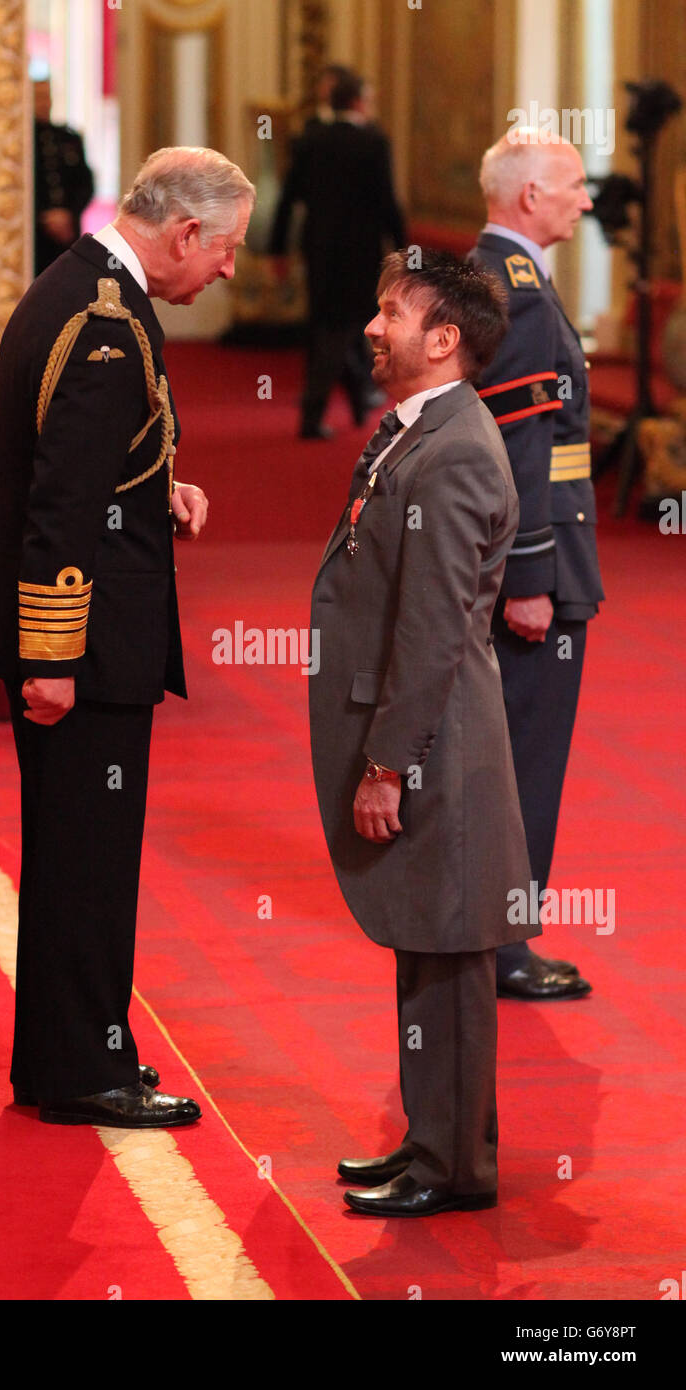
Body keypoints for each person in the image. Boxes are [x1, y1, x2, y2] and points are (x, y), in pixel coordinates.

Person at [0, 147, 255, 1128]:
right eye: (227, 251)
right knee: (88, 861)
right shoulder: (106, 328)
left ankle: (56, 1062)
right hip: (80, 641)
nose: (228, 272)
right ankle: (91, 1068)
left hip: (76, 621)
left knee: (66, 854)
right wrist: (49, 658)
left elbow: (82, 464)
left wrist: (154, 489)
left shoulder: (81, 291)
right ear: (184, 233)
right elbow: (59, 504)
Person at [309, 250, 535, 1217]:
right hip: (428, 735)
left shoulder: (453, 452)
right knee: (426, 943)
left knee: (448, 956)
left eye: (391, 312)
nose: (373, 325)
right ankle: (430, 1143)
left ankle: (454, 1169)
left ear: (443, 340)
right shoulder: (423, 431)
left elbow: (436, 628)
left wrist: (388, 766)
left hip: (436, 742)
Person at [469, 129, 604, 1001]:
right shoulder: (515, 295)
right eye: (572, 186)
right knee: (523, 763)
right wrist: (529, 579)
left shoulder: (501, 279)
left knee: (513, 756)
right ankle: (504, 944)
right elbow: (518, 449)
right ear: (528, 199)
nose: (586, 200)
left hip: (544, 560)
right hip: (539, 574)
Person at [268, 69, 404, 438]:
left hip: (319, 251)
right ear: (359, 102)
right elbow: (388, 202)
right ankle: (317, 414)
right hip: (362, 253)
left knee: (331, 326)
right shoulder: (375, 142)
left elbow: (288, 198)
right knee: (343, 329)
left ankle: (356, 396)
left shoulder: (310, 139)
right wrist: (407, 252)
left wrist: (278, 248)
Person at [33, 78, 95, 276]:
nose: (45, 103)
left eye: (47, 96)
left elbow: (85, 182)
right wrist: (44, 216)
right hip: (36, 238)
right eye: (39, 97)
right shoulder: (22, 142)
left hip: (67, 235)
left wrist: (69, 214)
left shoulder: (69, 138)